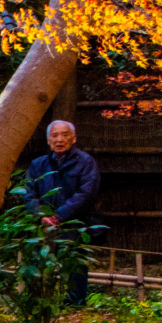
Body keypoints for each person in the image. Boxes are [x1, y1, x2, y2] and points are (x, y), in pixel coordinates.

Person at [23, 120, 102, 306]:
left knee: (74, 264)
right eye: (55, 135)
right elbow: (29, 193)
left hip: (74, 223)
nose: (60, 139)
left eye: (65, 134)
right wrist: (40, 216)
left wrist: (59, 215)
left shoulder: (86, 162)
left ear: (73, 138)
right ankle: (36, 303)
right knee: (37, 261)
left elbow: (87, 193)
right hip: (43, 224)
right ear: (48, 140)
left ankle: (74, 305)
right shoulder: (38, 165)